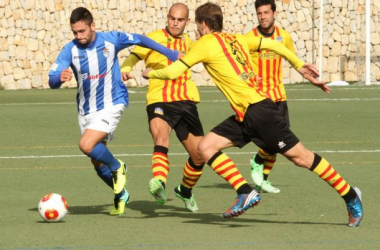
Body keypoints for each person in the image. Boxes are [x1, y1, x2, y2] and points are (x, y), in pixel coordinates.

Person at [142, 2, 363, 227]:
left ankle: (350, 196)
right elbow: (272, 45)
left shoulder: (205, 43)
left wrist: (150, 73)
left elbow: (173, 71)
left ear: (203, 24)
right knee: (205, 147)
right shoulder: (238, 38)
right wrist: (298, 65)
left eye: (198, 26)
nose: (197, 31)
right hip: (245, 114)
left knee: (302, 158)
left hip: (260, 113)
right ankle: (245, 192)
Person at [48, 7, 179, 216]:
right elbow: (52, 79)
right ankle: (121, 194)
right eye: (75, 32)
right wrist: (58, 79)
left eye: (82, 31)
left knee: (86, 144)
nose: (78, 36)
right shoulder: (69, 50)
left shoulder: (111, 40)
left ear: (92, 26)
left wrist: (170, 53)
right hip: (86, 110)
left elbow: (139, 39)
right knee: (97, 160)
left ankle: (118, 167)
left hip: (112, 103)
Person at [120, 3, 204, 212]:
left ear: (187, 21)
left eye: (180, 20)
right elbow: (135, 56)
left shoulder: (191, 43)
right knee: (161, 138)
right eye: (172, 18)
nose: (175, 23)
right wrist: (126, 68)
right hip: (160, 98)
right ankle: (159, 182)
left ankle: (184, 190)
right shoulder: (154, 37)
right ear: (167, 17)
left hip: (186, 100)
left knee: (200, 155)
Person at [244, 0, 300, 193]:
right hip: (259, 98)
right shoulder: (249, 38)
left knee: (279, 141)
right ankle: (258, 160)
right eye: (259, 13)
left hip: (279, 96)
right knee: (274, 140)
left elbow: (292, 59)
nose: (263, 17)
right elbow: (240, 64)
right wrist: (252, 75)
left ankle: (263, 179)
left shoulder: (283, 37)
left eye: (266, 12)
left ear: (274, 13)